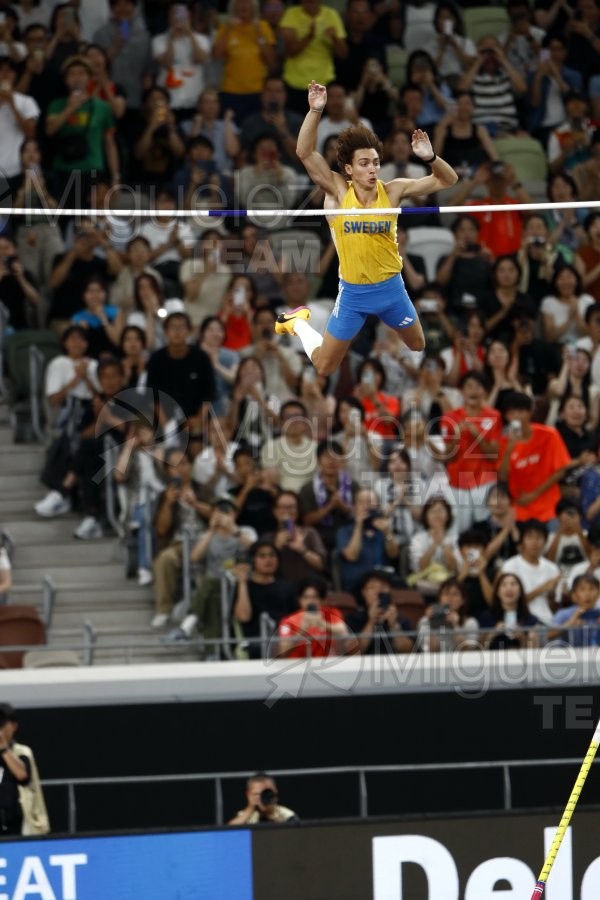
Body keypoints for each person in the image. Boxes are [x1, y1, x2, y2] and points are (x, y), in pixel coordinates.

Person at [274, 80, 458, 376]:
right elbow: (304, 152)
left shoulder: (393, 190)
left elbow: (448, 180)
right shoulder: (337, 190)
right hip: (353, 295)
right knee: (324, 367)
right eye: (364, 163)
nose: (372, 169)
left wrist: (430, 157)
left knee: (418, 345)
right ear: (349, 168)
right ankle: (298, 323)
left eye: (375, 162)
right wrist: (315, 111)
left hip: (392, 288)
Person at [498, 391, 572, 523]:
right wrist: (509, 450)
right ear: (506, 416)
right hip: (520, 508)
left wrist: (533, 494)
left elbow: (561, 471)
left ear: (530, 412)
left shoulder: (549, 435)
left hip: (550, 506)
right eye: (512, 413)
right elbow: (503, 477)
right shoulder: (504, 442)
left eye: (521, 411)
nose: (516, 416)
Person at [0, 703, 49, 836]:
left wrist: (3, 748)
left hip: (17, 823)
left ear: (14, 726)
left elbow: (22, 776)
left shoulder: (22, 752)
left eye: (2, 725)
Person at [501, 518, 561, 625]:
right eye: (530, 537)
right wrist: (542, 589)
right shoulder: (510, 566)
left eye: (539, 537)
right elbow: (509, 602)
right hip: (520, 622)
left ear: (545, 541)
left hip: (547, 621)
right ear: (522, 540)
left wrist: (553, 595)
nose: (534, 542)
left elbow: (555, 605)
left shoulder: (552, 568)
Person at [277, 577, 353, 657]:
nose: (310, 601)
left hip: (329, 662)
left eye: (315, 597)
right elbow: (282, 652)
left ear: (323, 600)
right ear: (299, 600)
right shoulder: (288, 621)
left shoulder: (332, 613)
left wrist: (323, 624)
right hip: (300, 663)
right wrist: (301, 630)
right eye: (306, 597)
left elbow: (344, 632)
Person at [549, 572, 600, 646]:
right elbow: (548, 635)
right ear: (574, 594)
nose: (587, 594)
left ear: (598, 593)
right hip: (570, 652)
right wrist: (570, 623)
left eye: (591, 589)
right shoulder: (563, 614)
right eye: (582, 589)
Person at [228, 773, 298, 825]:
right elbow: (229, 833)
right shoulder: (243, 816)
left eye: (266, 793)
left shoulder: (287, 815)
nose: (262, 797)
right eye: (256, 794)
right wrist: (250, 808)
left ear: (275, 792)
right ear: (248, 795)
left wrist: (272, 815)